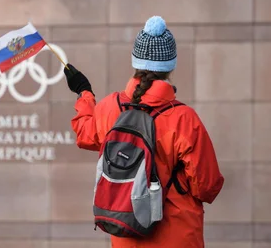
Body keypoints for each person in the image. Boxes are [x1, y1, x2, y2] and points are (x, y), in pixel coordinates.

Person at [63, 16, 224, 248]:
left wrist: (84, 93)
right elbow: (207, 186)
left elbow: (85, 134)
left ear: (135, 62)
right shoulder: (183, 119)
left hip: (126, 233)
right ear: (170, 66)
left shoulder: (111, 107)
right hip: (178, 236)